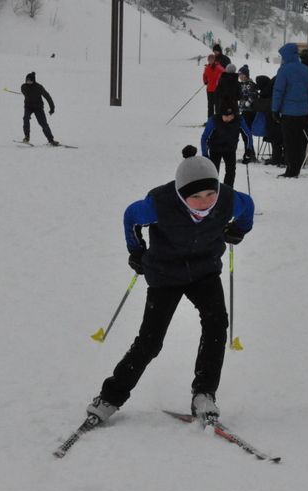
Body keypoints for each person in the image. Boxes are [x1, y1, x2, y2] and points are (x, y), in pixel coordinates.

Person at [86, 147, 255, 425]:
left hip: (205, 270)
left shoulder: (227, 200)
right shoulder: (158, 205)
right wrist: (136, 251)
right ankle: (110, 397)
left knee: (216, 325)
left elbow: (247, 206)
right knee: (150, 341)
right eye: (196, 197)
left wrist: (239, 229)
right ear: (181, 194)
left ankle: (204, 394)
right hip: (165, 274)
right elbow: (131, 217)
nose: (204, 202)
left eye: (210, 194)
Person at [272, 43, 308, 178]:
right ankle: (297, 167)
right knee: (299, 141)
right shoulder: (305, 69)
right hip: (303, 112)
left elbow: (278, 91)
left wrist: (275, 109)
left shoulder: (284, 70)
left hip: (288, 112)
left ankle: (291, 169)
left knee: (289, 141)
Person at [200, 103, 255, 189]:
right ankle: (213, 190)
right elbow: (204, 138)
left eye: (230, 116)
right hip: (215, 149)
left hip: (230, 149)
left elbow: (248, 135)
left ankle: (228, 190)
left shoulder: (239, 120)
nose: (227, 118)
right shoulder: (214, 120)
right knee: (213, 172)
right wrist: (205, 154)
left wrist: (249, 150)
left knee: (231, 171)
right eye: (225, 116)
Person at [20, 72, 58, 146]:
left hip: (38, 107)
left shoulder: (39, 87)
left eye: (30, 81)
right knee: (26, 118)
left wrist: (52, 108)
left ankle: (51, 140)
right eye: (27, 80)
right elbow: (24, 92)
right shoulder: (23, 87)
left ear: (33, 80)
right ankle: (26, 137)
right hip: (28, 107)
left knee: (43, 124)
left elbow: (47, 96)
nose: (28, 82)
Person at [202, 54, 225, 119]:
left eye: (212, 59)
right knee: (210, 106)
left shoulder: (218, 67)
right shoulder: (207, 67)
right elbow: (204, 75)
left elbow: (224, 73)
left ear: (214, 60)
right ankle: (210, 120)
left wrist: (221, 82)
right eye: (209, 59)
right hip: (209, 90)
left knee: (217, 106)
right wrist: (205, 81)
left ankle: (218, 120)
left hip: (217, 90)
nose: (210, 60)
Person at [237, 65, 259, 129]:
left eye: (242, 74)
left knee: (246, 128)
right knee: (243, 129)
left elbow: (253, 95)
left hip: (250, 110)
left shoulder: (250, 84)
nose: (240, 76)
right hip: (243, 110)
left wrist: (248, 102)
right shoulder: (241, 84)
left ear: (246, 75)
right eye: (239, 74)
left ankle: (249, 138)